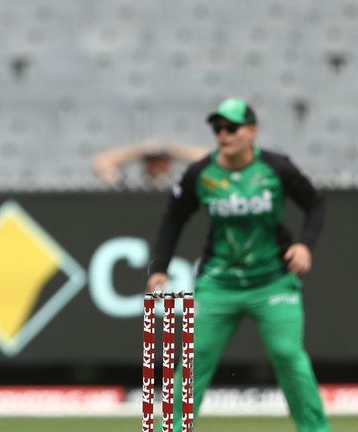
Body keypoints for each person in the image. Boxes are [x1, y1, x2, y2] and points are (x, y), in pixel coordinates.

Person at [146, 98, 330, 432]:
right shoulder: (201, 173)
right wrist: (160, 265)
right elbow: (173, 218)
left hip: (273, 280)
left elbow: (315, 204)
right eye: (218, 128)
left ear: (252, 131)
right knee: (192, 361)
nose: (223, 135)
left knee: (288, 355)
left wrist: (305, 245)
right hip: (219, 283)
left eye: (231, 128)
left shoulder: (276, 168)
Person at [93, 138, 208, 188]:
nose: (157, 165)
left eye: (162, 160)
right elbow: (101, 162)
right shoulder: (133, 186)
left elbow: (212, 161)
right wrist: (139, 151)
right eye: (152, 161)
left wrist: (174, 151)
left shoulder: (179, 185)